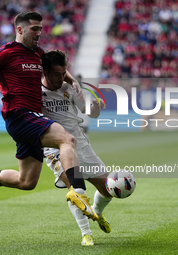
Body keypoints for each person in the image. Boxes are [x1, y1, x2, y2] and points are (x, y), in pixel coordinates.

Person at [0, 11, 98, 221]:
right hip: (19, 115)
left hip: (32, 119)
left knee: (26, 181)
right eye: (35, 29)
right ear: (20, 29)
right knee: (67, 139)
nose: (39, 33)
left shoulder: (38, 54)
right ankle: (79, 191)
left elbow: (58, 69)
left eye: (41, 29)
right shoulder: (4, 53)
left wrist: (73, 81)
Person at [41, 50, 113, 246]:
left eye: (64, 73)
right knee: (76, 188)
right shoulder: (36, 92)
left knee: (108, 188)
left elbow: (90, 112)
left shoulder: (69, 88)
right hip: (56, 148)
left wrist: (96, 107)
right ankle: (86, 233)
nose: (62, 77)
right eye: (57, 74)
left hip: (80, 143)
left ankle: (96, 213)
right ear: (45, 72)